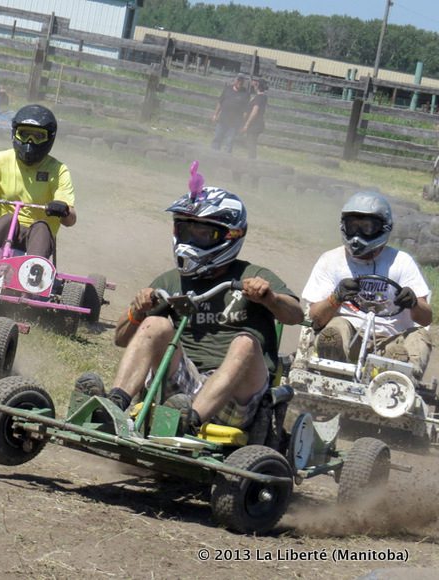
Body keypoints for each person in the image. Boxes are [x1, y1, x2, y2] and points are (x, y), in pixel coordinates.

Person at [78, 183, 303, 435]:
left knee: (245, 343)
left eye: (203, 234)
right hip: (183, 386)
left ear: (231, 236)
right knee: (156, 324)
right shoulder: (171, 281)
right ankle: (114, 406)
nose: (191, 241)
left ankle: (189, 424)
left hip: (238, 396)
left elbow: (296, 315)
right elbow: (121, 339)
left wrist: (269, 297)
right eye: (185, 230)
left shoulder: (251, 275)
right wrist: (137, 311)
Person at [302, 191, 432, 378]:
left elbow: (426, 319)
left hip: (391, 340)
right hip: (349, 337)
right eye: (353, 226)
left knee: (420, 337)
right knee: (335, 327)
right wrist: (335, 298)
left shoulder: (401, 262)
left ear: (383, 228)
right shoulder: (331, 260)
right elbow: (315, 318)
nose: (358, 235)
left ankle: (396, 372)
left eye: (366, 227)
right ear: (343, 226)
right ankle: (333, 369)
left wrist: (413, 303)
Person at [0, 104, 76, 261]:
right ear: (15, 134)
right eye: (25, 134)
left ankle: (34, 268)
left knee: (41, 226)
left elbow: (71, 220)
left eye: (38, 136)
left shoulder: (58, 170)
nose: (30, 142)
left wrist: (64, 210)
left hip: (34, 238)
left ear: (49, 138)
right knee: (8, 218)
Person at [211, 74, 250, 154]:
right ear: (235, 81)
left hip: (234, 123)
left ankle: (226, 160)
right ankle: (213, 156)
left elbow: (246, 110)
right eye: (238, 80)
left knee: (229, 142)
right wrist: (215, 114)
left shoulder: (245, 94)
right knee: (217, 138)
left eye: (242, 81)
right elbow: (220, 102)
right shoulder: (227, 89)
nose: (240, 82)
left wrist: (243, 123)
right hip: (222, 119)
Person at [241, 78, 268, 160]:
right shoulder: (260, 97)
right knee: (250, 144)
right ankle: (251, 160)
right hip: (255, 125)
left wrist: (246, 124)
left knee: (251, 144)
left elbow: (254, 111)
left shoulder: (259, 98)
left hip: (255, 125)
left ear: (258, 86)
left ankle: (251, 162)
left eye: (256, 84)